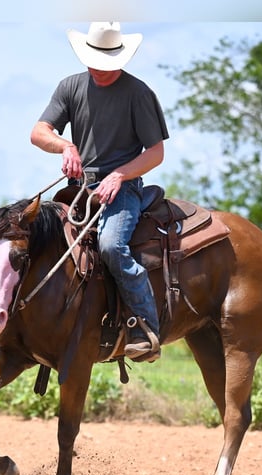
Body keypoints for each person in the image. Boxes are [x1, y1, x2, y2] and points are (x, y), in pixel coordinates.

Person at [30, 21, 169, 363]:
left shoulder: (139, 94)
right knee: (35, 239)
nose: (100, 70)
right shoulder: (70, 87)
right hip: (78, 189)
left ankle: (145, 328)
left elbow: (155, 153)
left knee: (110, 244)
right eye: (94, 61)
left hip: (122, 189)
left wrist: (119, 176)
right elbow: (38, 131)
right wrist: (64, 146)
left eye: (107, 63)